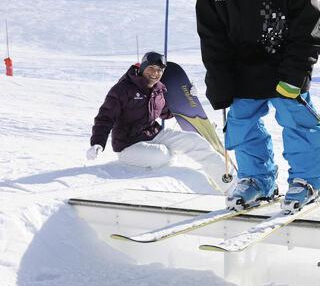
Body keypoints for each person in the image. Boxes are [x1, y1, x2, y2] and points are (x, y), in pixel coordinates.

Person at [196, 0, 320, 212]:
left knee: (296, 120)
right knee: (241, 124)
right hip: (242, 67)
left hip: (284, 63)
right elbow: (211, 33)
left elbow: (307, 20)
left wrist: (297, 70)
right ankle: (257, 179)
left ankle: (306, 180)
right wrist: (219, 78)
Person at [87, 52, 229, 192]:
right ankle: (165, 155)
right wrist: (97, 142)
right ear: (142, 68)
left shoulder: (158, 89)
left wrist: (186, 98)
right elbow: (105, 117)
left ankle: (229, 186)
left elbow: (165, 113)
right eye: (151, 68)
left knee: (195, 141)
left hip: (153, 134)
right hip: (128, 144)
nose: (155, 73)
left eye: (159, 70)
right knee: (162, 155)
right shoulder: (123, 89)